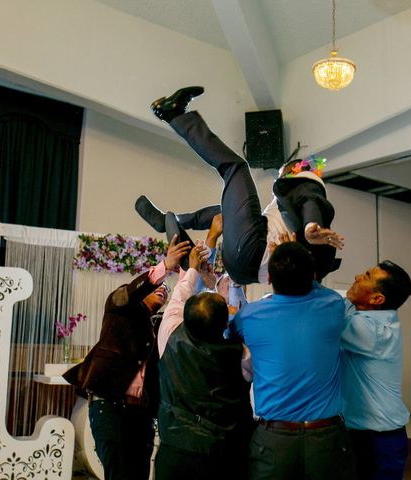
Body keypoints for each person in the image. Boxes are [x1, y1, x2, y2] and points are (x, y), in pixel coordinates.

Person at [141, 86, 344, 285]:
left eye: (282, 174)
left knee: (235, 168)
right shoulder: (293, 205)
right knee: (227, 211)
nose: (278, 180)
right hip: (246, 271)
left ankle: (175, 114)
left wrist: (310, 226)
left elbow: (311, 201)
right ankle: (173, 221)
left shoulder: (306, 181)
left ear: (294, 172)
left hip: (254, 251)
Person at [63, 236, 191, 480]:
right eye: (159, 286)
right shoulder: (119, 307)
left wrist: (189, 270)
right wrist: (165, 265)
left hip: (142, 414)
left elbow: (182, 305)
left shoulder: (162, 326)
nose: (164, 290)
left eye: (166, 289)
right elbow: (130, 293)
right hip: (110, 407)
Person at [230, 241, 351, 480]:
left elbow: (230, 332)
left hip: (274, 441)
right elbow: (317, 288)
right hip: (326, 440)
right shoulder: (333, 305)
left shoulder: (250, 316)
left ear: (268, 280)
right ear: (314, 276)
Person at [155, 245, 254, 480]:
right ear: (224, 324)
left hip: (176, 450)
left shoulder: (170, 335)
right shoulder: (243, 355)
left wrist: (193, 270)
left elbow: (179, 297)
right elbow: (248, 324)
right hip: (224, 455)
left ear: (185, 317)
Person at [340, 260, 411, 480]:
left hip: (379, 442)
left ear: (377, 299)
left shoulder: (374, 331)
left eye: (367, 277)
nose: (357, 277)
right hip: (363, 435)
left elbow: (326, 312)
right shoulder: (367, 317)